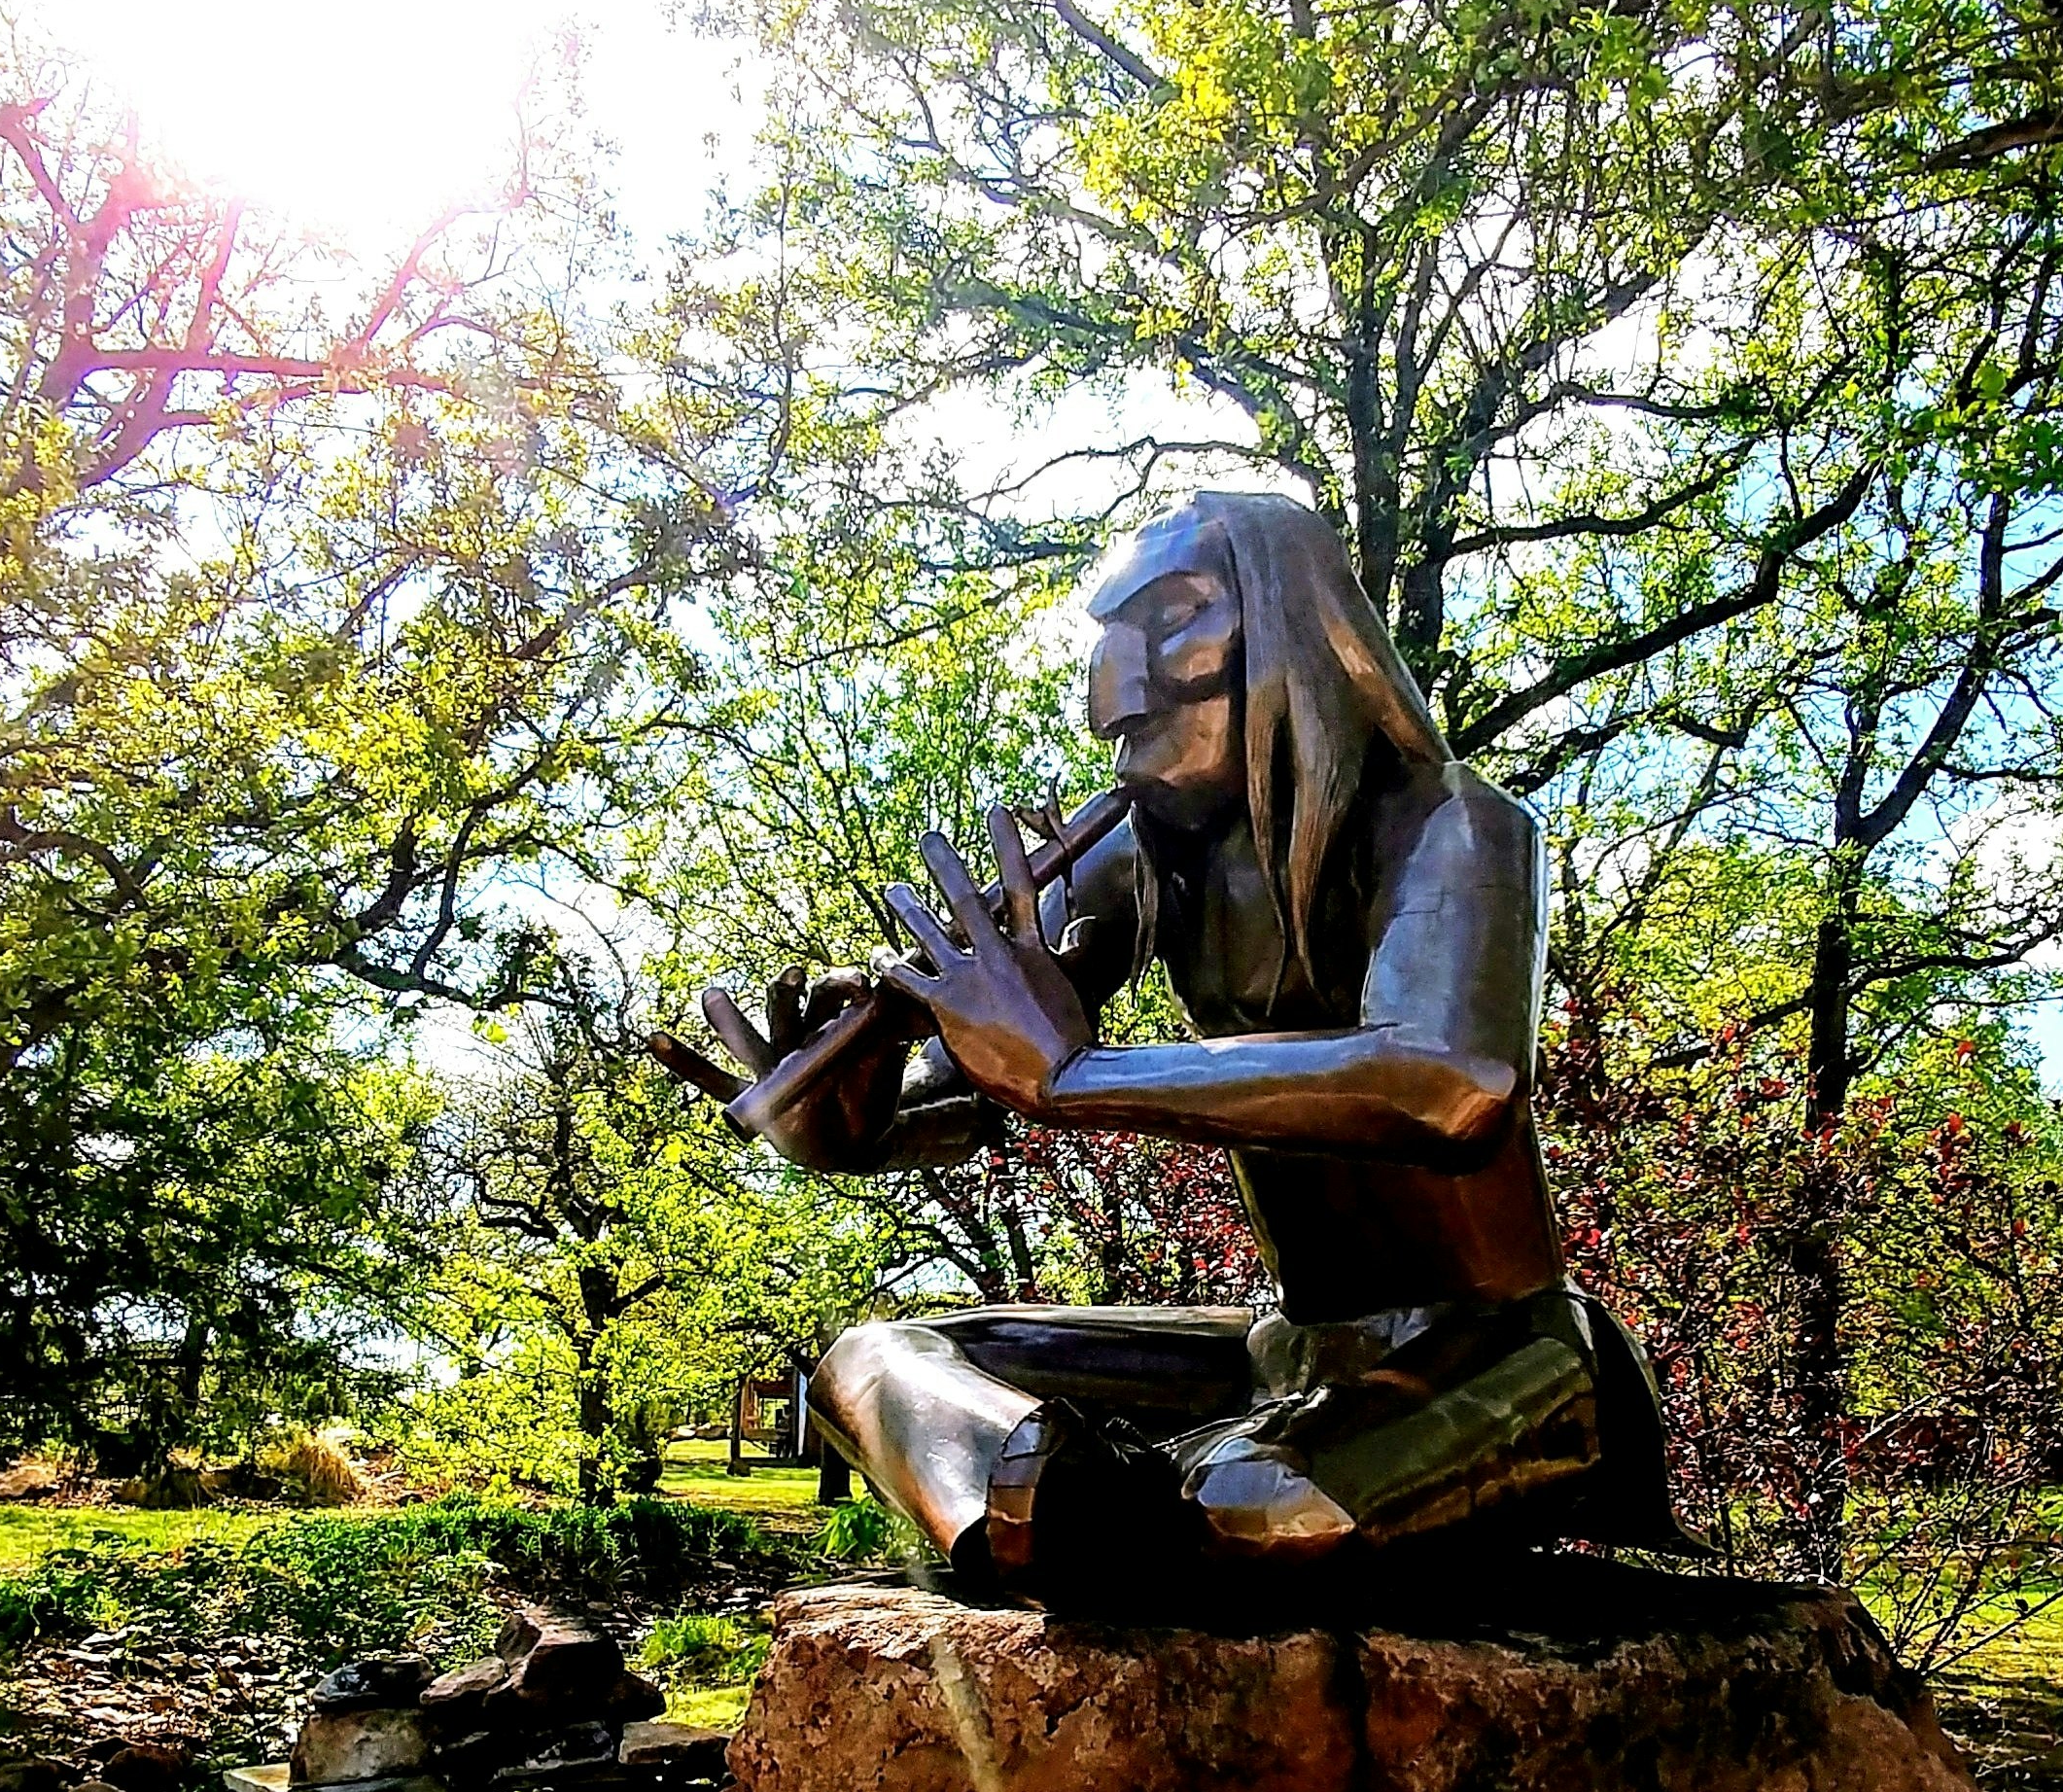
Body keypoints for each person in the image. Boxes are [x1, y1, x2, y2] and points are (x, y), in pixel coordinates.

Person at [706, 488, 1675, 1589]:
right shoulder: (1145, 860)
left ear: (1294, 625)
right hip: (1288, 1352)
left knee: (1257, 1501)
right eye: (1110, 642)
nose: (1116, 691)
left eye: (1173, 619)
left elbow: (1452, 1084)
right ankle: (1042, 1502)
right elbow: (977, 1082)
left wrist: (1075, 1076)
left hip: (1498, 1353)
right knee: (873, 1362)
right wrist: (864, 1115)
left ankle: (1105, 1511)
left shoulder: (1452, 821)